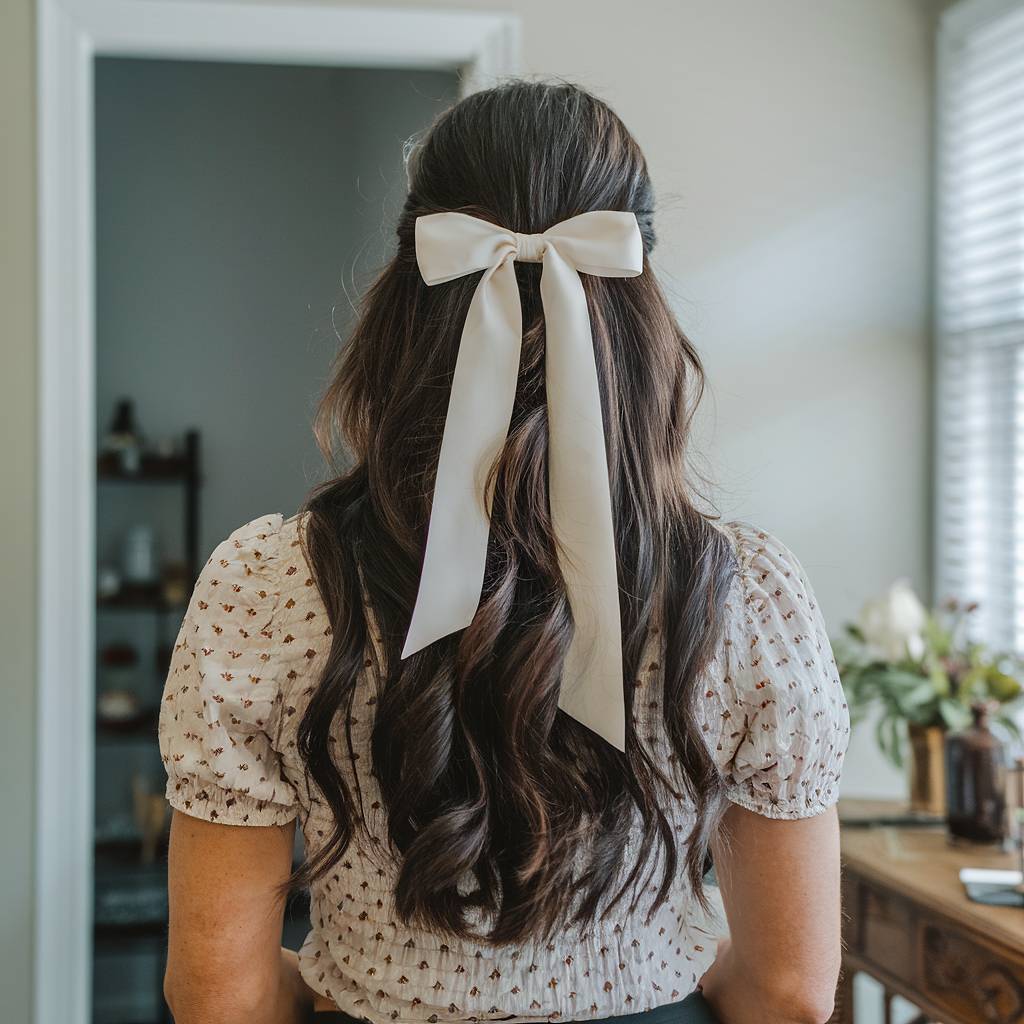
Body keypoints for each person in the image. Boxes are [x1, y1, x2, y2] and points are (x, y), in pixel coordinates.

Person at [158, 80, 851, 1024]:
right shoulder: (746, 598)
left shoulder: (270, 587)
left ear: (405, 296)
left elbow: (217, 996)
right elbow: (789, 991)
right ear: (637, 307)